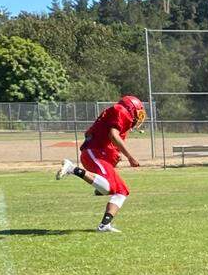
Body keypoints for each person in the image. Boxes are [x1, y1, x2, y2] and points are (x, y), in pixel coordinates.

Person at [55, 94, 145, 232]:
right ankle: (72, 168)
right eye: (137, 113)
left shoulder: (121, 117)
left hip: (101, 154)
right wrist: (130, 157)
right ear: (131, 109)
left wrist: (115, 155)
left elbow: (111, 139)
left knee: (122, 192)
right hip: (94, 152)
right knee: (108, 188)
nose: (138, 117)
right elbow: (113, 135)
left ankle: (104, 225)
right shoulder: (121, 111)